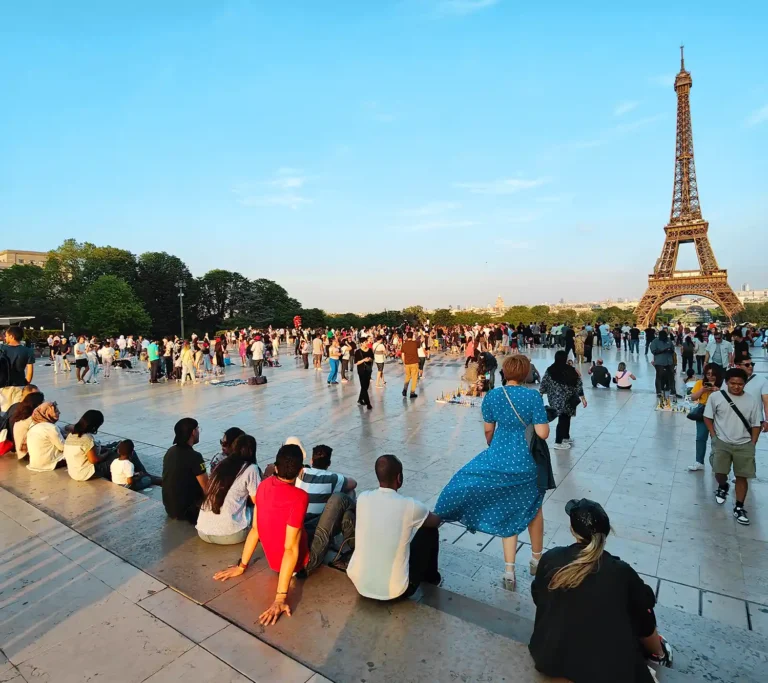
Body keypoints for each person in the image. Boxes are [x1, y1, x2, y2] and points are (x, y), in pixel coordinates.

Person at [436, 355, 550, 588]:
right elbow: (543, 433)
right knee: (534, 510)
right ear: (526, 372)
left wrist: (498, 447)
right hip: (525, 463)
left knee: (508, 510)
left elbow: (489, 432)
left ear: (505, 373)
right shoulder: (533, 396)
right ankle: (536, 560)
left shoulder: (493, 395)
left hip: (498, 457)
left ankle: (509, 572)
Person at [529, 498, 673, 683]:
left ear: (573, 531)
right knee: (641, 608)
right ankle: (659, 652)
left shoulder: (551, 558)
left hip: (550, 657)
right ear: (607, 532)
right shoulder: (619, 570)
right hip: (604, 667)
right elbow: (646, 602)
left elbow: (537, 596)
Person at [212, 444, 309, 626]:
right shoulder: (300, 496)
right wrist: (280, 598)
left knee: (304, 522)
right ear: (301, 471)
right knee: (337, 503)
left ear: (276, 467)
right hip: (298, 564)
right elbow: (289, 549)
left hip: (274, 563)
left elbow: (255, 529)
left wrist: (242, 566)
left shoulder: (264, 485)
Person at [348, 454, 441, 600]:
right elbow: (435, 521)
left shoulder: (363, 498)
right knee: (429, 531)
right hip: (397, 591)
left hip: (359, 583)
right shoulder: (410, 505)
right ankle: (432, 578)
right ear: (399, 478)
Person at [704, 368, 762, 525]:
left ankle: (739, 506)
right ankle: (723, 485)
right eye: (733, 383)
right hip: (722, 441)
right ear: (726, 383)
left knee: (743, 477)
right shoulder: (716, 397)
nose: (736, 387)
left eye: (740, 384)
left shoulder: (752, 401)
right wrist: (714, 436)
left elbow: (756, 424)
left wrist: (753, 442)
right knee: (719, 472)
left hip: (744, 444)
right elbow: (707, 417)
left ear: (745, 384)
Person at [297, 444, 357, 571]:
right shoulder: (333, 478)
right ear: (328, 463)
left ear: (311, 461)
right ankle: (350, 540)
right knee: (349, 494)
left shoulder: (301, 473)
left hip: (301, 522)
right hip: (319, 525)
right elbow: (353, 483)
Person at [197, 434, 261, 544]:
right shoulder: (251, 469)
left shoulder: (221, 464)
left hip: (202, 531)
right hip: (231, 535)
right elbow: (258, 500)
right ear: (252, 451)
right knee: (258, 508)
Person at [162, 418, 208, 524]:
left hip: (170, 508)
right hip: (188, 511)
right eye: (198, 429)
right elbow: (207, 488)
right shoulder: (195, 457)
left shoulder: (170, 452)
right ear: (193, 432)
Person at [541, 350, 587, 450]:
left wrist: (540, 394)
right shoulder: (571, 370)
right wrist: (583, 398)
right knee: (564, 418)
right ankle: (558, 442)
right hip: (568, 399)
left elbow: (543, 384)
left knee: (564, 418)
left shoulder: (550, 370)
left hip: (554, 399)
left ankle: (566, 437)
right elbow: (578, 385)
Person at [687, 363, 724, 472]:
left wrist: (718, 391)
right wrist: (703, 390)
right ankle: (699, 461)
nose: (710, 377)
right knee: (700, 437)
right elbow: (692, 397)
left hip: (718, 411)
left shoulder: (723, 385)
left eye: (713, 374)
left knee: (717, 438)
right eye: (708, 374)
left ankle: (717, 463)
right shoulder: (700, 383)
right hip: (703, 410)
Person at [63, 410, 111, 481]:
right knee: (116, 460)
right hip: (85, 474)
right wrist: (107, 453)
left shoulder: (71, 435)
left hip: (73, 472)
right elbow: (94, 460)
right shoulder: (87, 438)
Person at [0, 326, 35, 412]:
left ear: (12, 336)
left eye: (7, 335)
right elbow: (30, 371)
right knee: (17, 411)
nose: (5, 337)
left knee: (4, 411)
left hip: (4, 386)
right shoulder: (28, 351)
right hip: (20, 385)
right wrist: (26, 383)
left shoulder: (2, 349)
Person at [25, 401, 67, 471]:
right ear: (47, 414)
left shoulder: (32, 427)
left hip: (34, 464)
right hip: (49, 464)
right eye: (56, 411)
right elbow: (63, 447)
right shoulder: (51, 428)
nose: (59, 412)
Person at [739, 354, 768, 434]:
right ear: (738, 366)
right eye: (747, 365)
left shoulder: (762, 380)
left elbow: (766, 402)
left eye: (752, 364)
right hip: (734, 418)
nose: (750, 366)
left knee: (750, 445)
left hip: (755, 421)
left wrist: (767, 420)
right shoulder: (730, 380)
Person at [649, 330, 676, 400]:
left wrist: (670, 350)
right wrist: (663, 350)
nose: (664, 337)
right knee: (659, 376)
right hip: (659, 362)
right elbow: (653, 351)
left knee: (671, 376)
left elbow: (673, 349)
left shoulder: (669, 340)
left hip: (669, 361)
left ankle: (672, 390)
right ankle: (658, 391)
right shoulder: (655, 341)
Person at [354, 339, 374, 409]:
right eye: (365, 342)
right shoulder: (357, 352)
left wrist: (369, 359)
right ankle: (368, 403)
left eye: (367, 342)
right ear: (361, 343)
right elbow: (356, 362)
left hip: (368, 370)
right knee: (364, 387)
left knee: (366, 386)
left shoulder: (370, 350)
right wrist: (363, 360)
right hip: (361, 370)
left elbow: (372, 359)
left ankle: (360, 399)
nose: (367, 343)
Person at [401, 331, 420, 398]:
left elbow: (402, 355)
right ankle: (412, 392)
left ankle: (405, 389)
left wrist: (404, 363)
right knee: (414, 378)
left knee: (407, 377)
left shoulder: (404, 344)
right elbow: (420, 342)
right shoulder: (415, 343)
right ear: (412, 336)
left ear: (406, 336)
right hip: (414, 363)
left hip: (407, 363)